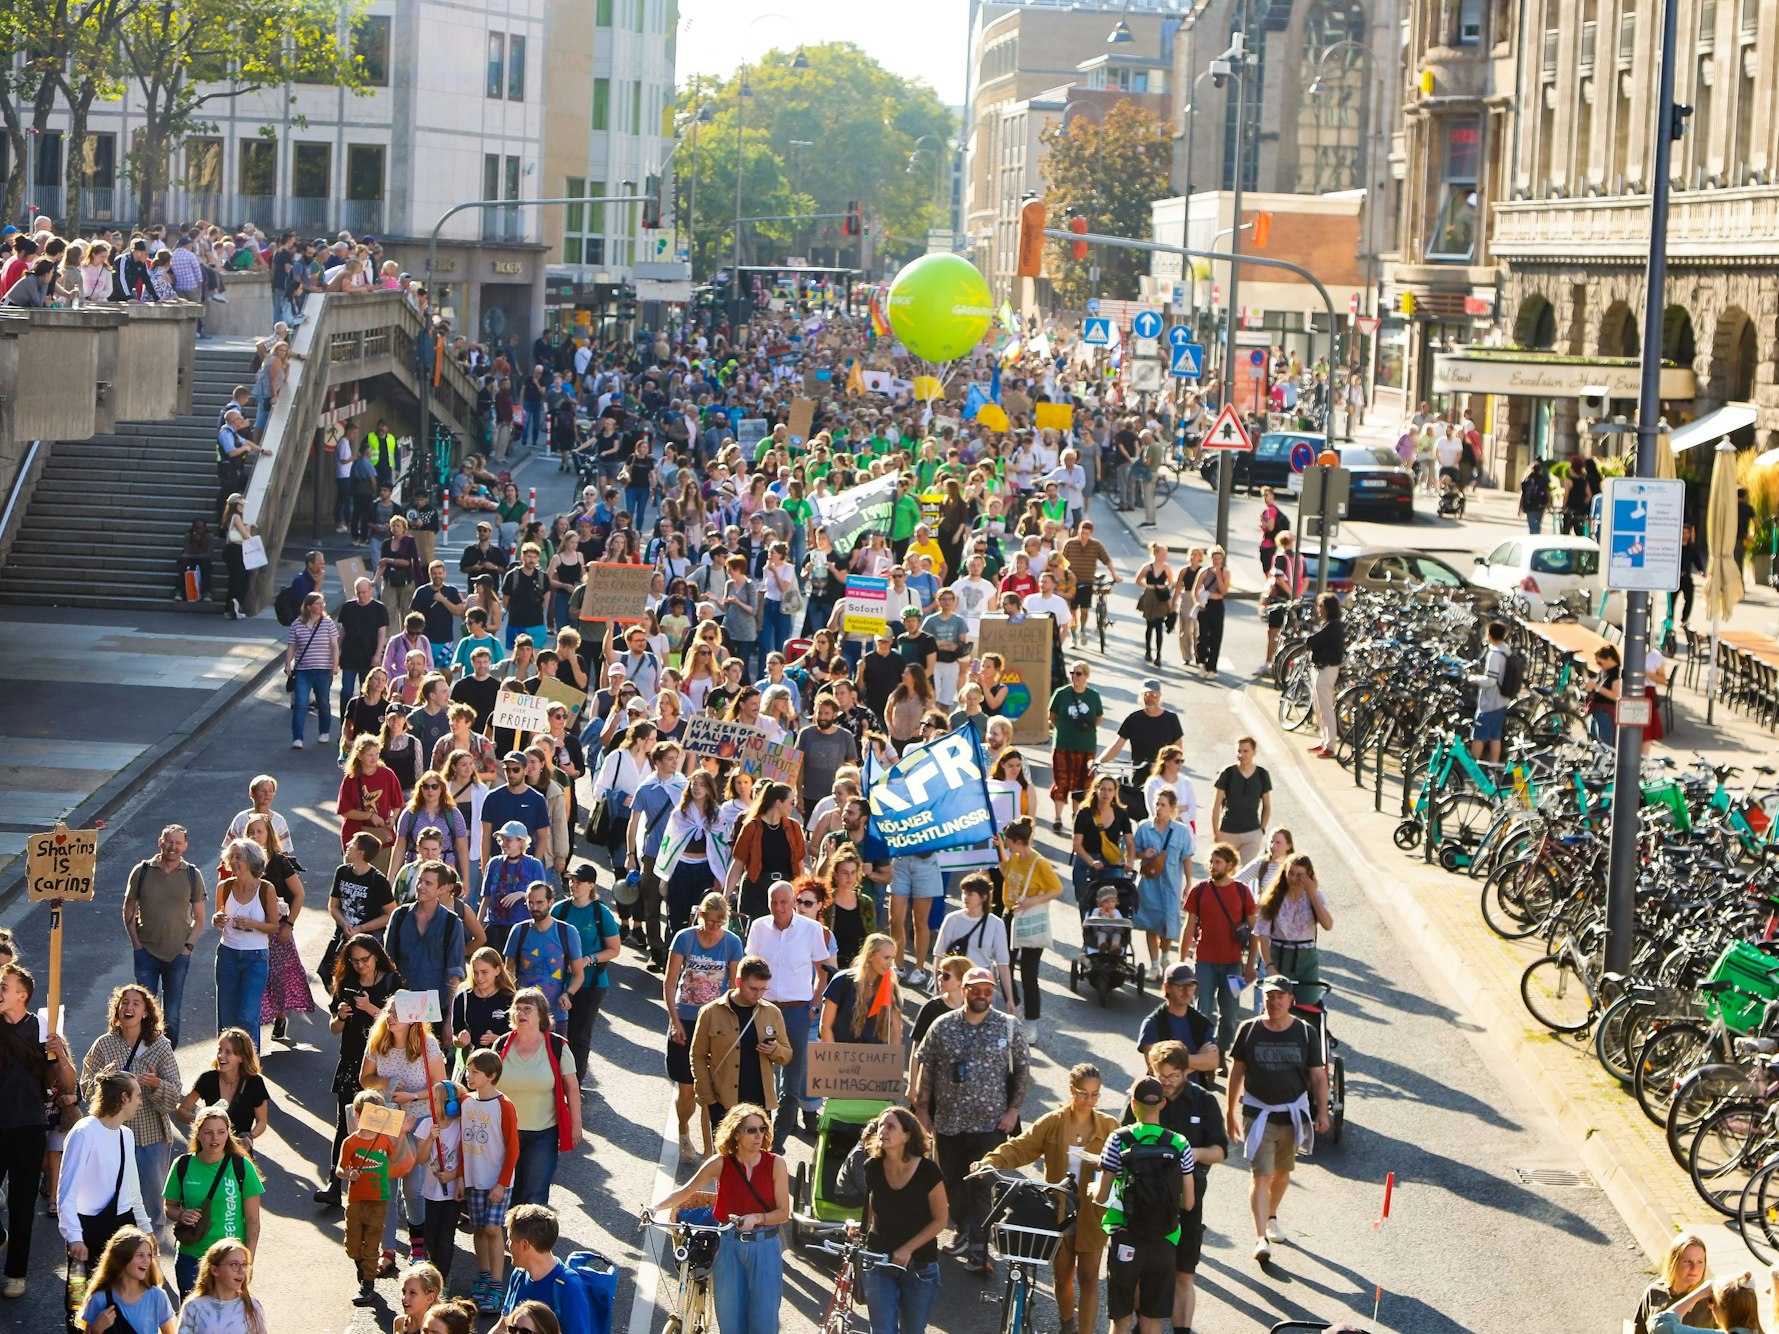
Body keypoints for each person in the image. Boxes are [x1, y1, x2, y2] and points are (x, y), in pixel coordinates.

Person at [978, 1064, 1116, 1334]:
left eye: (1095, 1094)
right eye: (1083, 1093)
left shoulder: (1109, 1126)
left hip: (1093, 1213)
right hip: (1059, 1211)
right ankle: (1068, 1325)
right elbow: (1021, 1146)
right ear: (1071, 1089)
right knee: (1062, 1277)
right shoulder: (1053, 1122)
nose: (1089, 1100)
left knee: (1089, 1279)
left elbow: (1124, 1159)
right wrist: (991, 1161)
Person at [913, 966, 1030, 1273]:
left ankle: (979, 1248)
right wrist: (922, 1109)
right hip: (948, 1122)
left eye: (987, 991)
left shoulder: (1008, 1026)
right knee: (952, 1182)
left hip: (991, 1124)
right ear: (963, 991)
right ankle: (964, 1230)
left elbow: (1022, 1071)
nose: (981, 995)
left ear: (993, 993)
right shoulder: (942, 1025)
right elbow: (927, 1067)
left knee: (982, 1184)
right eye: (975, 989)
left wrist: (1013, 1111)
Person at [646, 1103, 788, 1334]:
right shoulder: (720, 1163)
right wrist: (654, 1208)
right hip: (728, 1245)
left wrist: (756, 1217)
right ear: (736, 1134)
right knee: (730, 1321)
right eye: (751, 1130)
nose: (759, 1135)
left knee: (764, 1322)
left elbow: (783, 1213)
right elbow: (685, 1191)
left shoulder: (776, 1164)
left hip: (764, 1246)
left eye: (762, 1129)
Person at [1225, 975, 1329, 1262]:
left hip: (1292, 1114)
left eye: (1279, 997)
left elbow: (1318, 1076)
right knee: (1262, 1174)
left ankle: (1271, 1216)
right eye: (1269, 997)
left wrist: (1322, 1112)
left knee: (1282, 1172)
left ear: (1290, 1000)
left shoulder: (1305, 1033)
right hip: (1258, 1113)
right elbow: (1237, 1071)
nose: (1274, 1002)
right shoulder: (1249, 1030)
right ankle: (1260, 1238)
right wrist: (1230, 1112)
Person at [1130, 1041, 1228, 1334]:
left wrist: (1190, 1154)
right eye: (1162, 1075)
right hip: (1143, 1201)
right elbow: (1122, 1138)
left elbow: (1220, 1151)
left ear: (1186, 1071)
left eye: (1174, 1075)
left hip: (1187, 1201)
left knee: (1184, 1275)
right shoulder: (1143, 1097)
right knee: (1141, 1272)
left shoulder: (1204, 1101)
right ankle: (1142, 1324)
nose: (1167, 1082)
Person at [1094, 1077, 1195, 1334]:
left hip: (1126, 1238)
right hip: (1165, 1240)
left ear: (1134, 1104)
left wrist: (1092, 1189)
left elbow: (1101, 1196)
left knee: (1121, 1319)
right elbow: (1189, 1202)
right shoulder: (1179, 1143)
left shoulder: (1118, 1139)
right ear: (1162, 1103)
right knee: (1152, 1319)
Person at [80, 985, 183, 1229]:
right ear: (117, 1010)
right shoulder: (104, 1045)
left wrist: (156, 1084)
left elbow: (174, 1095)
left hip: (150, 1141)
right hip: (111, 1139)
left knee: (150, 1208)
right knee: (110, 1204)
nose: (129, 1007)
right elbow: (86, 1090)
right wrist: (102, 1080)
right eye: (124, 1002)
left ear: (146, 1012)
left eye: (136, 1003)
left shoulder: (160, 1046)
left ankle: (149, 1251)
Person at [315, 933, 403, 1208]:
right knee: (345, 1122)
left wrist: (370, 1008)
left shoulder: (392, 983)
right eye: (354, 961)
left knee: (381, 1122)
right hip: (352, 1059)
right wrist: (340, 1016)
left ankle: (378, 1187)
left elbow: (402, 1024)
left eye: (365, 959)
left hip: (382, 1063)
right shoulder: (347, 982)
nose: (360, 965)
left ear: (377, 956)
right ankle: (335, 1182)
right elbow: (333, 1028)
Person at [359, 1001, 446, 1268]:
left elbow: (442, 1086)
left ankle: (417, 1244)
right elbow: (365, 1079)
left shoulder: (427, 1044)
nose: (391, 1017)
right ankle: (387, 1250)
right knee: (386, 1187)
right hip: (385, 1121)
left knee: (413, 1188)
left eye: (398, 1013)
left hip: (418, 1120)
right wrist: (384, 1083)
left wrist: (413, 1096)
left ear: (412, 1018)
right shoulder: (377, 1041)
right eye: (389, 1011)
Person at [854, 1106, 948, 1334]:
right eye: (881, 1126)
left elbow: (941, 1220)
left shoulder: (928, 1171)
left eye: (890, 1126)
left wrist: (908, 1248)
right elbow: (873, 1208)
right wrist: (860, 1226)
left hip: (919, 1267)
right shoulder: (872, 1167)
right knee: (882, 1330)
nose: (882, 1131)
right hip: (879, 1262)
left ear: (907, 1136)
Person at [665, 894, 745, 1159]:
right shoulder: (685, 938)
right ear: (701, 916)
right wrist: (675, 1021)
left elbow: (734, 988)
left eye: (719, 923)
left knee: (710, 1092)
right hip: (686, 1019)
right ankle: (683, 1129)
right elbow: (670, 982)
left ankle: (709, 1152)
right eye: (710, 921)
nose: (714, 927)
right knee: (687, 1089)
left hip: (715, 1023)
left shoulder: (732, 943)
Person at [164, 1106, 264, 1299]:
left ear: (228, 1134)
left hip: (230, 1261)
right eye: (208, 1132)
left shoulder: (242, 1167)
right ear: (197, 1134)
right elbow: (169, 1206)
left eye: (221, 1132)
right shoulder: (182, 1165)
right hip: (191, 1258)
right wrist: (181, 1215)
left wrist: (247, 1264)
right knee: (193, 1314)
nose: (215, 1138)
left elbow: (253, 1222)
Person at [496, 988, 583, 1207]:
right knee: (507, 1196)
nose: (520, 1013)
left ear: (541, 1015)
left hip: (543, 1134)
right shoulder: (501, 1045)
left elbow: (572, 1087)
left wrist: (576, 1125)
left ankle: (532, 1231)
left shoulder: (557, 1046)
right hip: (504, 1133)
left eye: (527, 1009)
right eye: (517, 1008)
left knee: (535, 1197)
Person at [123, 824, 207, 1049]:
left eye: (178, 843)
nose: (173, 847)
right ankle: (143, 1056)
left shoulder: (192, 875)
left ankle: (167, 1058)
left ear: (185, 846)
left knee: (172, 1015)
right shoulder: (142, 871)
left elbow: (200, 918)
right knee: (144, 1013)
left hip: (178, 956)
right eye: (169, 841)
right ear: (160, 842)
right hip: (146, 953)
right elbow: (128, 909)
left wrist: (187, 948)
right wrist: (136, 944)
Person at [58, 1070, 153, 1266]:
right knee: (89, 1287)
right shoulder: (84, 1133)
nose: (140, 1102)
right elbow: (67, 1191)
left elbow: (133, 1190)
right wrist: (74, 1237)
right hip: (91, 1228)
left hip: (125, 1226)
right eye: (137, 1096)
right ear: (124, 1097)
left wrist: (145, 1228)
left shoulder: (126, 1135)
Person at [1180, 843, 1257, 1060]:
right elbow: (1188, 927)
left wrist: (1250, 965)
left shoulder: (1242, 891)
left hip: (1233, 965)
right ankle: (1205, 1052)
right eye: (1211, 862)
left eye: (1218, 862)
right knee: (1202, 1010)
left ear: (1230, 865)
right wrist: (1181, 961)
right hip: (1204, 961)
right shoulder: (1199, 890)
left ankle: (1221, 1051)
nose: (1212, 866)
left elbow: (1255, 931)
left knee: (1230, 1013)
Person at [337, 1088, 412, 1304]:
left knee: (371, 1243)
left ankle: (368, 1283)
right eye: (370, 1115)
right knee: (353, 1244)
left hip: (379, 1199)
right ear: (358, 1115)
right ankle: (362, 1266)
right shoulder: (350, 1142)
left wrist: (403, 1133)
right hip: (356, 1199)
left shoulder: (384, 1139)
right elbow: (339, 1169)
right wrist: (349, 1173)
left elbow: (394, 1158)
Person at [552, 865, 622, 1079]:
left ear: (591, 885)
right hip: (559, 982)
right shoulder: (560, 910)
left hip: (592, 984)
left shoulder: (601, 913)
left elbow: (614, 949)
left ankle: (575, 1082)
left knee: (579, 1036)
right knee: (555, 1034)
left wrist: (588, 960)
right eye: (571, 881)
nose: (573, 885)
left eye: (579, 882)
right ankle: (554, 1081)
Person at [997, 818, 1064, 1039]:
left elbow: (1057, 889)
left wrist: (1031, 902)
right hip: (1010, 916)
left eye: (1008, 841)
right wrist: (1000, 849)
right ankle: (1014, 1007)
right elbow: (1007, 873)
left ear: (1018, 841)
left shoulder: (1039, 863)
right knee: (1003, 966)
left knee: (1029, 973)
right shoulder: (1015, 856)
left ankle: (1031, 1023)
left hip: (1030, 919)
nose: (1007, 844)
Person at [212, 838, 278, 1048]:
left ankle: (250, 1064)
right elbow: (219, 919)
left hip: (256, 957)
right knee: (227, 1018)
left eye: (238, 857)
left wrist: (252, 923)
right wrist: (217, 920)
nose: (233, 861)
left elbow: (274, 927)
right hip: (228, 954)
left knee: (248, 1017)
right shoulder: (224, 887)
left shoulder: (266, 889)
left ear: (251, 860)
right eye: (231, 856)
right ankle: (226, 1060)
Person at [503, 881, 588, 1033]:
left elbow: (578, 974)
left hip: (556, 1015)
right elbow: (508, 971)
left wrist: (568, 994)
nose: (534, 907)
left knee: (554, 1050)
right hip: (523, 1016)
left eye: (539, 902)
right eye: (530, 903)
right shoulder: (519, 930)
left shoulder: (567, 932)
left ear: (551, 902)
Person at [1255, 853, 1334, 1006]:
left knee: (1309, 1006)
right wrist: (1270, 966)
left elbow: (1327, 925)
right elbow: (1262, 935)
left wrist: (1312, 894)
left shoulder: (1315, 897)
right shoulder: (1273, 897)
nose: (1293, 878)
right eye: (1290, 873)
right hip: (1279, 955)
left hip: (1306, 957)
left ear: (1308, 876)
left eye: (1299, 875)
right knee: (1278, 1005)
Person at [932, 874, 1015, 1012]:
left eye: (970, 894)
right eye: (964, 893)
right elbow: (938, 955)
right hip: (954, 984)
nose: (965, 897)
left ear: (983, 897)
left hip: (980, 984)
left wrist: (1010, 999)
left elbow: (1003, 965)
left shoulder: (996, 924)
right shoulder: (952, 919)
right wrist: (937, 989)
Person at [1132, 790, 1194, 972]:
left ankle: (1165, 957)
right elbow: (1133, 853)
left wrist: (1189, 882)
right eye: (1157, 804)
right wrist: (1143, 854)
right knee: (1150, 923)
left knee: (1169, 923)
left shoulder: (1181, 831)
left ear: (1172, 808)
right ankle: (1153, 965)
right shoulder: (1144, 828)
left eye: (1163, 805)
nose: (1158, 808)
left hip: (1171, 885)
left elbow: (1187, 858)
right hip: (1149, 884)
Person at [79, 1225, 178, 1334]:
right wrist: (97, 1329)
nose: (146, 1261)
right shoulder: (99, 1299)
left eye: (149, 1255)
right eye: (140, 1255)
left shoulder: (157, 1297)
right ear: (122, 1259)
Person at [1135, 964, 1219, 1079]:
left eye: (1191, 986)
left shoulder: (1201, 1023)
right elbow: (1155, 1069)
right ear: (1167, 987)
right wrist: (1198, 1059)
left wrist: (1171, 1063)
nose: (1187, 991)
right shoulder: (1153, 1024)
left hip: (1194, 1090)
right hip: (1164, 1089)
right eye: (1181, 986)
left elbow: (1213, 1062)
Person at [819, 932, 904, 1047]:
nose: (890, 964)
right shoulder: (842, 981)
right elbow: (825, 1026)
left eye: (892, 958)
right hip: (840, 1051)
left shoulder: (890, 987)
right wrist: (835, 1055)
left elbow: (896, 1030)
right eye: (886, 958)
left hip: (873, 1055)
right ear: (870, 956)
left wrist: (893, 1056)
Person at [1048, 661, 1104, 831]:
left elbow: (1098, 717)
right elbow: (1052, 716)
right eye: (1072, 673)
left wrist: (1085, 730)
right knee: (1062, 780)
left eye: (1078, 674)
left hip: (1086, 746)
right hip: (1063, 745)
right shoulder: (1061, 693)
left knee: (1082, 783)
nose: (1075, 677)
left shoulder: (1093, 696)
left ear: (1086, 676)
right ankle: (1058, 817)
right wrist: (1063, 729)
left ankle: (1076, 816)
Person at [1070, 771, 1135, 917]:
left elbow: (1130, 842)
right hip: (1086, 861)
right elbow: (1077, 844)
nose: (1106, 793)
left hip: (1110, 862)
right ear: (1096, 790)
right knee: (1086, 903)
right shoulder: (1084, 813)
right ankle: (1087, 928)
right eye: (1103, 789)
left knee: (1113, 902)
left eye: (1110, 790)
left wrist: (1130, 861)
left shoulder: (1121, 814)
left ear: (1115, 793)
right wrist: (1091, 861)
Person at [175, 1240, 267, 1334]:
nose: (241, 1270)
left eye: (244, 1264)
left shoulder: (252, 1306)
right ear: (214, 1270)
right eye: (234, 1264)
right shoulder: (194, 1307)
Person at [287, 591, 341, 749]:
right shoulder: (297, 624)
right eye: (317, 603)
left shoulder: (328, 623)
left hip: (323, 670)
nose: (321, 606)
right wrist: (287, 664)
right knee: (301, 704)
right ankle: (297, 737)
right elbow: (292, 645)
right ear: (309, 607)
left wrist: (335, 664)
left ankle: (324, 731)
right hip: (303, 671)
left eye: (322, 603)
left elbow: (334, 646)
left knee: (323, 703)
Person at [1209, 737, 1272, 865]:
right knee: (1223, 870)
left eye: (1245, 751)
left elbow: (1267, 806)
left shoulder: (1262, 774)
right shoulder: (1227, 773)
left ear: (1254, 752)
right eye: (1239, 751)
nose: (1241, 755)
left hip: (1252, 833)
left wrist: (1262, 830)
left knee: (1247, 872)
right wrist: (1216, 832)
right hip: (1228, 832)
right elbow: (1216, 805)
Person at [1635, 1232, 1710, 1334]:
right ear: (1673, 1261)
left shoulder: (1712, 1301)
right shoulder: (1654, 1293)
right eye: (1688, 1261)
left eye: (1700, 1262)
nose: (1694, 1268)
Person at [1304, 593, 1345, 758]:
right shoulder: (1329, 624)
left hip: (1326, 670)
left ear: (1329, 608)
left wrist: (1309, 639)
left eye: (1321, 606)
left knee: (1326, 708)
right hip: (1320, 669)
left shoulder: (1333, 626)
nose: (1319, 609)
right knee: (1319, 707)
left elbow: (1313, 641)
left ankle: (1330, 745)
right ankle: (1324, 740)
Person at [1469, 620, 1511, 764]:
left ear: (1489, 635)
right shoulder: (1506, 650)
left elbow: (1491, 680)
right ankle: (1494, 765)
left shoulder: (1494, 655)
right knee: (1495, 736)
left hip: (1491, 702)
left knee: (1479, 736)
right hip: (1502, 701)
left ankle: (1472, 767)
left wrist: (1475, 680)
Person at [1133, 541, 1174, 667]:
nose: (1164, 556)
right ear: (1156, 553)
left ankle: (1158, 655)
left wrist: (1163, 587)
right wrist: (1148, 587)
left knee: (1159, 627)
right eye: (1162, 553)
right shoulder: (1147, 567)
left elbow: (1171, 582)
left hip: (1161, 598)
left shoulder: (1167, 568)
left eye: (1165, 554)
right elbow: (1138, 580)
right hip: (1150, 597)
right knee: (1149, 625)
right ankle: (1148, 651)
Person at [1192, 547, 1230, 675]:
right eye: (1215, 558)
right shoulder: (1204, 571)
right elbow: (1196, 589)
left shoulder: (1225, 572)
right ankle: (1202, 660)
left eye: (1219, 559)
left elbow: (1224, 591)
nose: (1217, 561)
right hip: (1205, 605)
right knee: (1202, 636)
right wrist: (1198, 602)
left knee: (1216, 637)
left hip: (1217, 605)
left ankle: (1212, 667)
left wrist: (1218, 575)